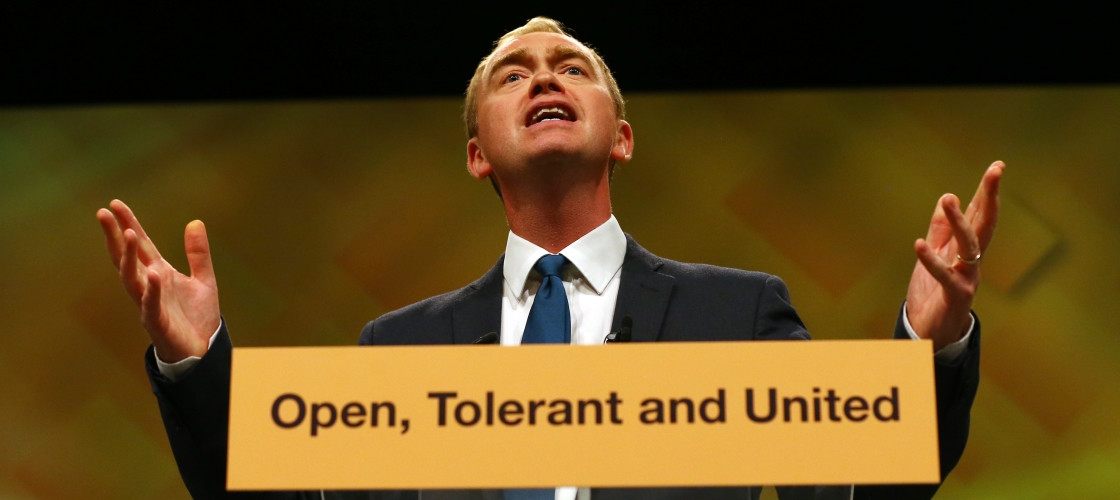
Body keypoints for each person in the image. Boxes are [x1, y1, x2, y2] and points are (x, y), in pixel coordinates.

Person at [97, 16, 1003, 500]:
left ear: (623, 138)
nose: (542, 74)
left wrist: (930, 348)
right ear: (476, 155)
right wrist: (198, 364)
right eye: (512, 72)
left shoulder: (735, 315)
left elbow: (854, 493)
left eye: (572, 67)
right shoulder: (401, 349)